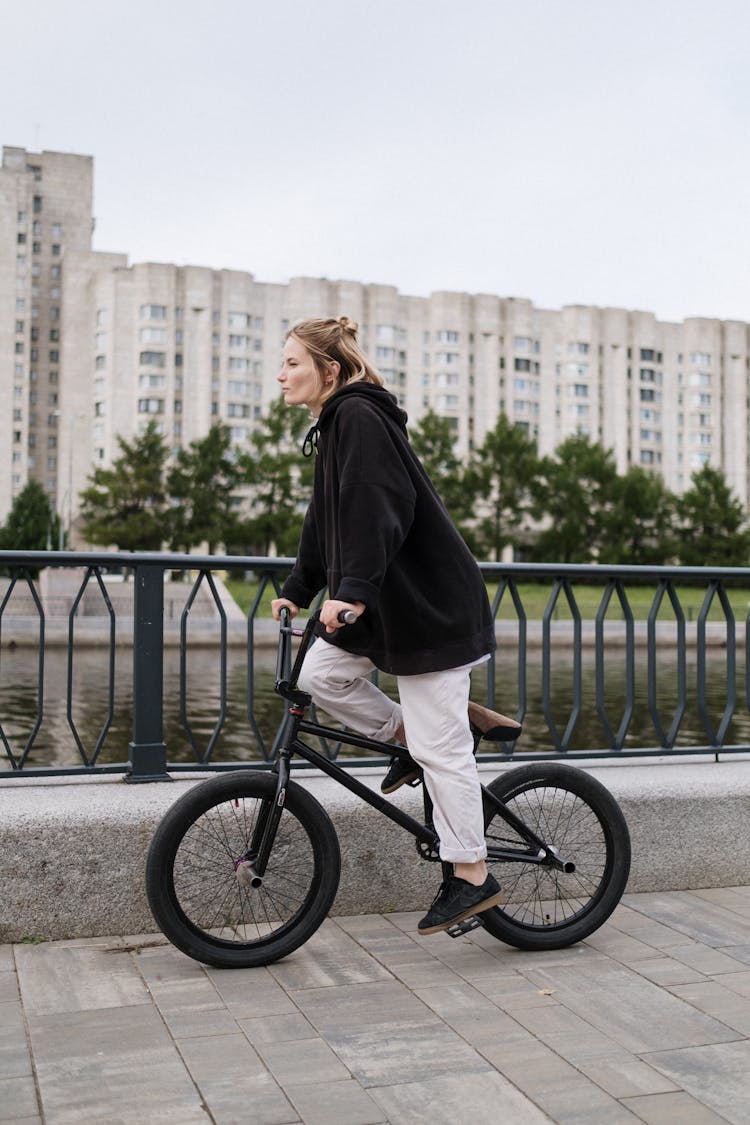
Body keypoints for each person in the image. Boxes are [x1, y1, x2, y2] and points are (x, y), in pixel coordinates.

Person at [271, 316, 520, 935]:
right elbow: (325, 518)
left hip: (429, 607)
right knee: (320, 674)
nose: (281, 375)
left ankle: (472, 875)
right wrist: (300, 590)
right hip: (390, 605)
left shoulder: (357, 417)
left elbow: (380, 504)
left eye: (293, 363)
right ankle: (407, 732)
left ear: (329, 369)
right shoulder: (335, 427)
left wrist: (351, 589)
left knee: (443, 752)